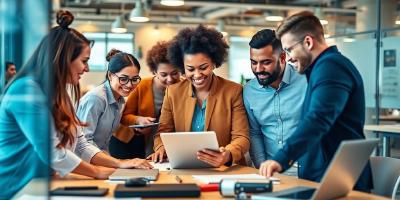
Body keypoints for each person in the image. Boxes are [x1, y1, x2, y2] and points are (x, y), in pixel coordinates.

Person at [0, 10, 150, 198]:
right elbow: (52, 151)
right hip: (17, 189)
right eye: (84, 61)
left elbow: (80, 143)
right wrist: (97, 172)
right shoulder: (26, 91)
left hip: (45, 183)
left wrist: (119, 164)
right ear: (63, 58)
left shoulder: (60, 93)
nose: (87, 68)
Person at [258, 11, 372, 192]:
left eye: (289, 50)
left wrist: (281, 157)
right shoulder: (322, 68)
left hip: (339, 180)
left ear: (308, 42)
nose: (288, 58)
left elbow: (318, 119)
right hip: (327, 176)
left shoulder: (331, 67)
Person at [150, 25, 250, 167]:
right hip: (183, 166)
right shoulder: (173, 92)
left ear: (214, 63)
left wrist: (227, 154)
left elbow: (242, 137)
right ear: (182, 67)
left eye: (203, 67)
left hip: (223, 168)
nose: (197, 75)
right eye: (190, 69)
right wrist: (161, 148)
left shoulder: (233, 91)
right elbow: (163, 132)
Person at [243, 29, 307, 176]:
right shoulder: (249, 91)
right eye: (254, 62)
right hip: (272, 174)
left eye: (266, 62)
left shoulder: (306, 81)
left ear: (283, 57)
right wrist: (262, 168)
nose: (258, 69)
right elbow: (255, 133)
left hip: (307, 171)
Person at [111, 41, 181, 159]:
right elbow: (124, 116)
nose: (170, 79)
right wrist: (138, 120)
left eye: (174, 73)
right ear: (154, 72)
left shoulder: (185, 87)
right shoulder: (142, 86)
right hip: (131, 143)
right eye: (164, 74)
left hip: (164, 144)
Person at [76, 49, 142, 153]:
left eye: (134, 79)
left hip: (100, 160)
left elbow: (104, 144)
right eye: (123, 79)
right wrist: (117, 163)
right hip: (82, 163)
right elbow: (83, 144)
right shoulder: (96, 99)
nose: (129, 85)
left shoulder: (120, 100)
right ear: (110, 75)